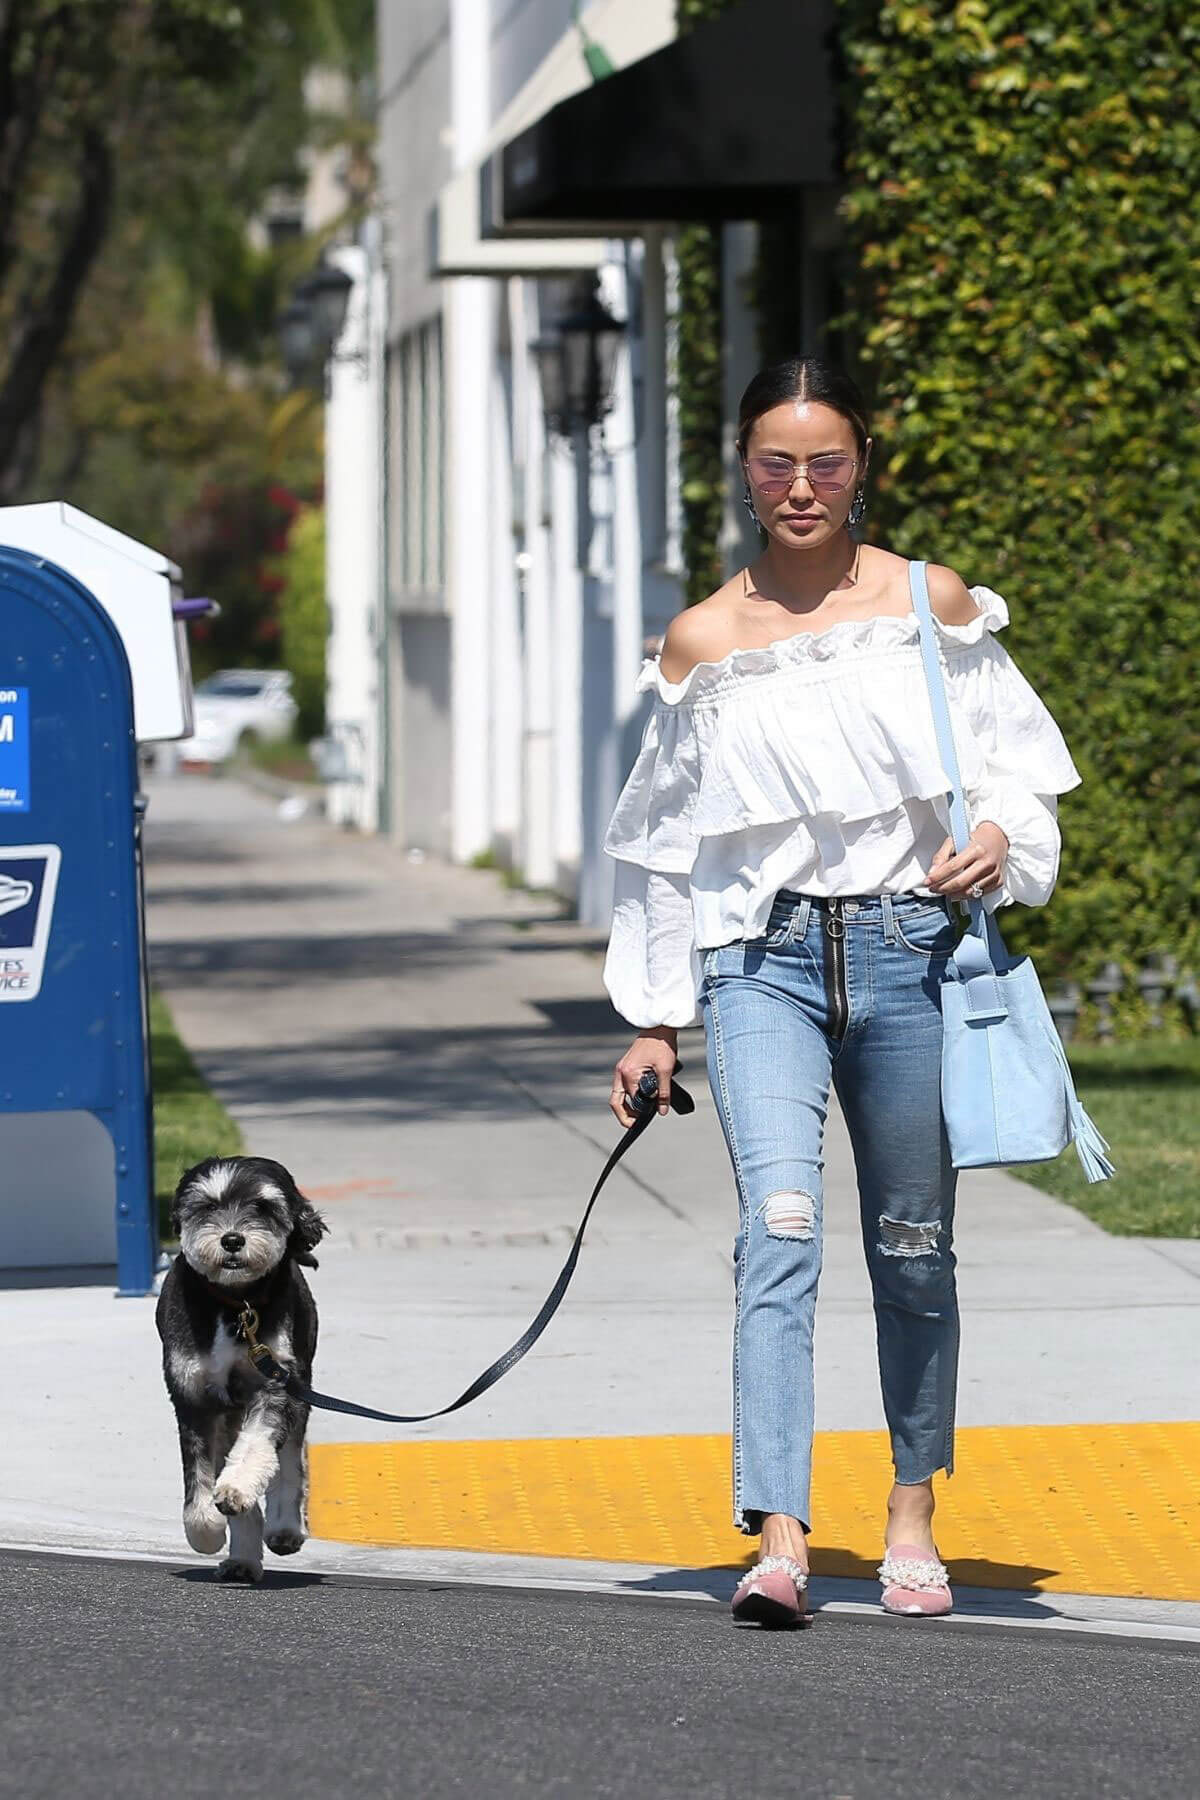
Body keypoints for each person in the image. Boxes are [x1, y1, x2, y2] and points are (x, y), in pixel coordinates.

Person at [600, 357, 1082, 1626]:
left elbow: (1018, 773)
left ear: (862, 463)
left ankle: (912, 1515)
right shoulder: (703, 639)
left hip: (912, 953)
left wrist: (995, 837)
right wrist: (654, 1018)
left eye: (825, 461)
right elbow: (664, 844)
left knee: (915, 1251)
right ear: (745, 472)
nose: (801, 486)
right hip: (758, 965)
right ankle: (778, 1535)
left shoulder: (931, 604)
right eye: (776, 461)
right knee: (782, 1232)